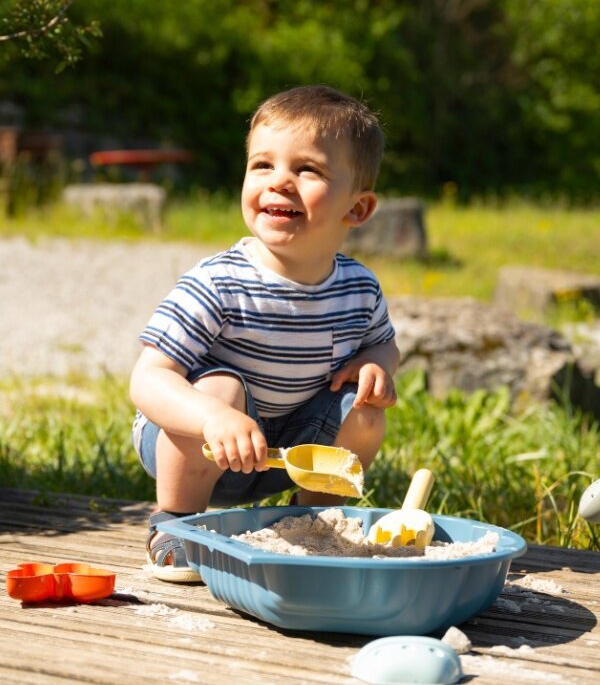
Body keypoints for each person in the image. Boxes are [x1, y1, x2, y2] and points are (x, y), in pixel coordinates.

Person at [129, 85, 399, 582]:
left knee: (364, 410)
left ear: (357, 209)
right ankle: (176, 523)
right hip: (195, 445)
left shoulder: (358, 288)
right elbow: (148, 379)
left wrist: (376, 364)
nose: (280, 182)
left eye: (307, 169)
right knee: (219, 387)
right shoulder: (219, 282)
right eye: (262, 165)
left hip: (286, 451)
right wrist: (211, 417)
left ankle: (311, 520)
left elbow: (383, 342)